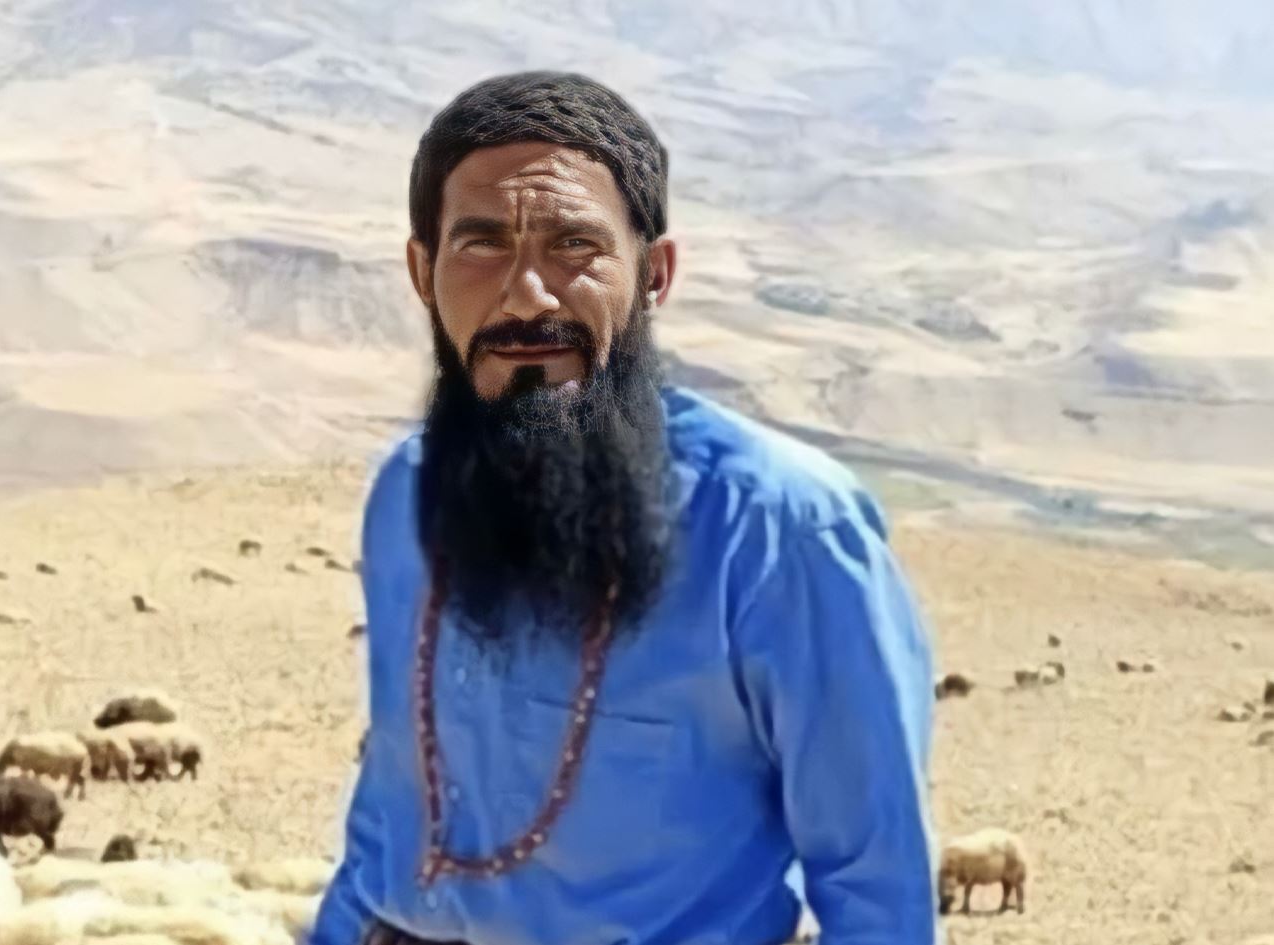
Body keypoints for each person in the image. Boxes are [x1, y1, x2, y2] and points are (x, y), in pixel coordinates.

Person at [308, 70, 939, 945]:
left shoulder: (777, 529)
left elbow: (877, 888)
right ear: (423, 272)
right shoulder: (403, 497)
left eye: (575, 246)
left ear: (654, 274)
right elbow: (390, 802)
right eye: (482, 244)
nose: (526, 295)